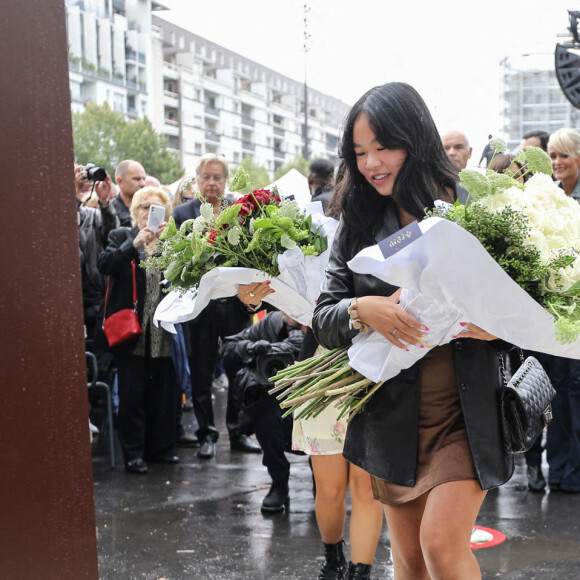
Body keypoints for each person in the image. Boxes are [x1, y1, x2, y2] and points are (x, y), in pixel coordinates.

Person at [312, 82, 514, 579]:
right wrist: (363, 309)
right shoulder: (357, 220)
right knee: (409, 560)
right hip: (392, 415)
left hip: (466, 411)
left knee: (441, 546)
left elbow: (522, 304)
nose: (371, 163)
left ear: (415, 139)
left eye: (383, 147)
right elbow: (324, 318)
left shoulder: (471, 206)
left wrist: (496, 329)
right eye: (359, 152)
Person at [174, 154, 262, 458]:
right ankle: (206, 434)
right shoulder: (182, 214)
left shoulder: (239, 213)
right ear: (197, 180)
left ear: (226, 181)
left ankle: (238, 432)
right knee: (201, 374)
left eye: (218, 177)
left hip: (235, 306)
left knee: (239, 371)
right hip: (200, 308)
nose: (212, 183)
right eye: (206, 177)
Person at [97, 186, 181, 474]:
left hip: (163, 331)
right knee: (132, 395)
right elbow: (104, 264)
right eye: (144, 207)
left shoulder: (171, 242)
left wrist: (170, 245)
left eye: (155, 208)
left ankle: (161, 449)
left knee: (163, 393)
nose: (148, 212)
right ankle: (133, 454)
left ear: (165, 214)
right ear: (135, 211)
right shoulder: (122, 236)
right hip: (132, 330)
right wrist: (133, 244)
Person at [220, 306, 305, 513]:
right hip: (277, 403)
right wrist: (254, 348)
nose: (286, 307)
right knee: (263, 412)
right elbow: (229, 347)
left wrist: (298, 349)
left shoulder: (322, 322)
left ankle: (323, 485)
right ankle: (279, 480)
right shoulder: (272, 322)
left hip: (317, 403)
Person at [75, 163, 119, 338]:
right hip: (72, 292)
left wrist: (104, 201)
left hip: (95, 294)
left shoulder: (90, 214)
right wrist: (74, 193)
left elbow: (112, 234)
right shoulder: (54, 212)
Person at [111, 160, 147, 226]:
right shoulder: (110, 210)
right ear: (120, 181)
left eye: (144, 179)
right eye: (137, 179)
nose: (143, 184)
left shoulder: (150, 208)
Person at [547, 128, 580, 200]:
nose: (557, 162)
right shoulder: (547, 193)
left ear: (578, 158)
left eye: (564, 155)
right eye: (553, 156)